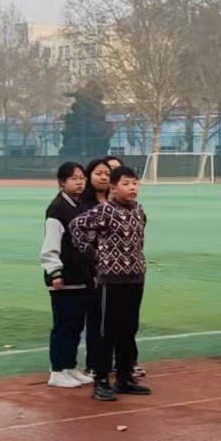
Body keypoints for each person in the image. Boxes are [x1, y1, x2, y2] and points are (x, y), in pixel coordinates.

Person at [69, 165, 151, 400]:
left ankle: (125, 376)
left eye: (135, 183)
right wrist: (94, 254)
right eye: (126, 183)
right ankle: (102, 379)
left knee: (129, 329)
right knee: (107, 330)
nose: (132, 188)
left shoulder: (139, 210)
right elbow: (76, 226)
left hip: (135, 277)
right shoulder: (104, 210)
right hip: (111, 280)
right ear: (113, 187)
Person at [41, 161, 97, 389]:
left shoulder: (80, 205)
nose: (79, 182)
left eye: (82, 178)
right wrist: (55, 271)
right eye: (74, 178)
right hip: (64, 278)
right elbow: (51, 243)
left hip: (81, 277)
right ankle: (56, 370)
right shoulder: (57, 209)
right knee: (63, 325)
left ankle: (69, 366)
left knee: (76, 325)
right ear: (62, 182)